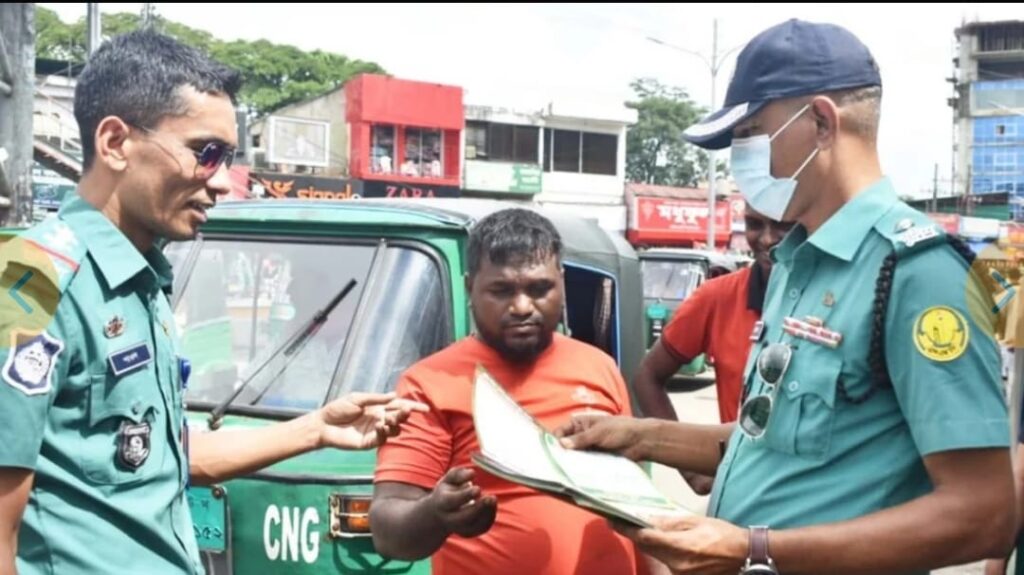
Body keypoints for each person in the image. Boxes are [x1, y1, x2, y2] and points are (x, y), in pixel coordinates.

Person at [557, 19, 1014, 575]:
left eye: (749, 134)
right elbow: (770, 442)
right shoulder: (798, 265)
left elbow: (983, 514)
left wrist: (752, 549)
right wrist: (639, 435)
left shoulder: (918, 274)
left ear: (821, 122)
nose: (737, 161)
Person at [0, 30, 425, 575]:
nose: (222, 181)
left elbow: (164, 456)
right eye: (206, 153)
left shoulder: (144, 279)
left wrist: (316, 428)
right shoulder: (35, 284)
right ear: (115, 143)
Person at [370, 208, 653, 574]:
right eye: (502, 291)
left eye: (539, 289)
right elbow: (388, 533)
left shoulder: (600, 367)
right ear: (471, 288)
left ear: (562, 283)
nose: (522, 307)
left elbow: (638, 501)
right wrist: (436, 512)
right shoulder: (428, 384)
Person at [633, 206, 791, 494]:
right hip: (743, 495)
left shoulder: (839, 297)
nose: (767, 239)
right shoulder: (717, 298)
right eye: (755, 224)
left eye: (783, 225)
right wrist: (692, 471)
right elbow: (647, 376)